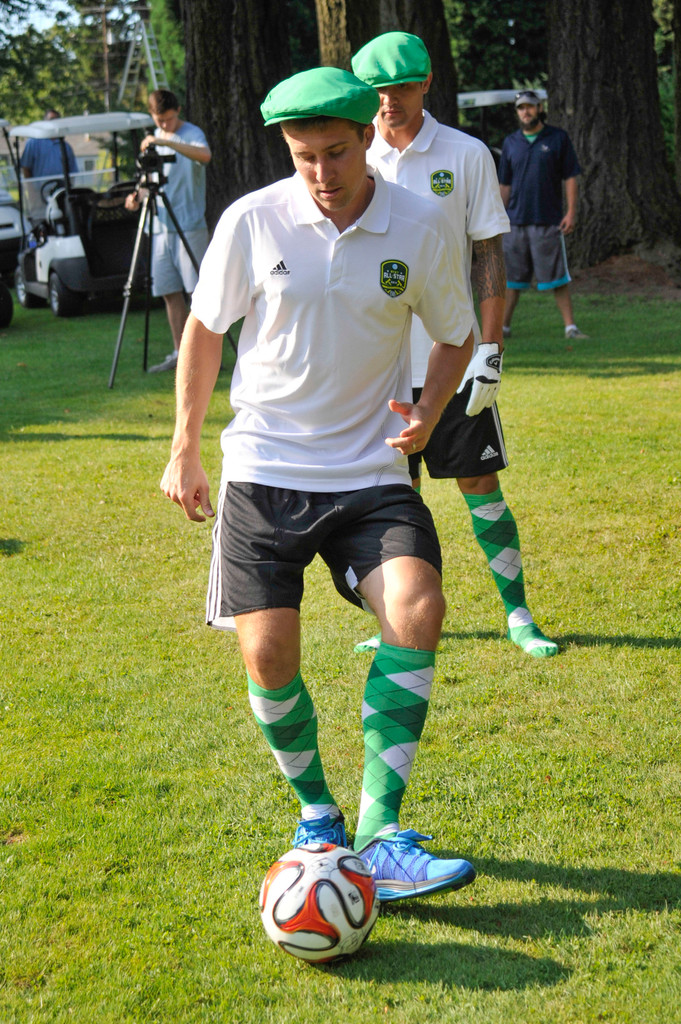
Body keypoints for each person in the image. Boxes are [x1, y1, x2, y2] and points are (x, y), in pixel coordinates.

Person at [159, 66, 487, 902]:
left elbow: (455, 332)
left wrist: (427, 411)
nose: (322, 174)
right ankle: (318, 818)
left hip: (370, 472)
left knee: (417, 608)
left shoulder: (417, 224)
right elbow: (204, 330)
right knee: (267, 656)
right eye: (304, 156)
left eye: (337, 153)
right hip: (263, 473)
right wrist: (184, 448)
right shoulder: (252, 219)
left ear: (365, 141)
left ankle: (379, 834)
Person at [351, 32, 558, 658]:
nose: (388, 101)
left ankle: (518, 614)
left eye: (400, 87)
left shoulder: (466, 154)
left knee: (480, 488)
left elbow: (487, 255)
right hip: (378, 369)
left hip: (454, 356)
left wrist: (490, 352)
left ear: (426, 83)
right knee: (391, 500)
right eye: (376, 91)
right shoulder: (350, 157)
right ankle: (392, 616)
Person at [126, 89, 211, 373]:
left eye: (169, 119)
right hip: (159, 225)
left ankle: (204, 356)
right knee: (168, 291)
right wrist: (137, 195)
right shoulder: (155, 137)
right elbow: (149, 178)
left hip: (189, 225)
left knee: (198, 294)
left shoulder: (190, 133)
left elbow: (205, 156)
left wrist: (168, 142)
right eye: (159, 120)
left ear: (178, 111)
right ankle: (180, 353)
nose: (164, 125)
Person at [498, 89, 587, 340]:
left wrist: (571, 212)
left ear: (539, 108)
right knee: (512, 281)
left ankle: (570, 328)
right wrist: (497, 217)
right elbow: (504, 184)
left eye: (530, 106)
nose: (525, 112)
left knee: (557, 278)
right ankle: (502, 330)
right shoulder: (511, 142)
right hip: (514, 223)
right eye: (521, 108)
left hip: (548, 221)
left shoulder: (558, 138)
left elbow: (570, 176)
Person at [20, 108, 78, 180]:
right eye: (51, 119)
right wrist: (32, 190)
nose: (54, 122)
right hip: (40, 189)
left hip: (61, 188)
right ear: (45, 122)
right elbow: (26, 168)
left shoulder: (65, 146)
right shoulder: (33, 143)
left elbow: (72, 171)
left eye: (57, 119)